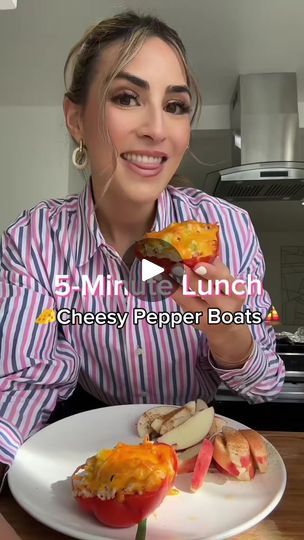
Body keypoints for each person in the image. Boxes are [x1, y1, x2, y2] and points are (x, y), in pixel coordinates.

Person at [0, 10, 285, 484]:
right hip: (84, 450)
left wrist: (229, 335)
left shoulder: (228, 228)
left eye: (176, 105)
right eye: (127, 97)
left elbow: (266, 386)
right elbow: (23, 387)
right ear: (76, 119)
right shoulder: (36, 239)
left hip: (197, 451)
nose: (157, 129)